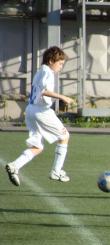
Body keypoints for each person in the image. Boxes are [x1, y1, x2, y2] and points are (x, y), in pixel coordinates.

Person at [5, 46, 74, 186]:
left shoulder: (40, 71)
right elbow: (44, 91)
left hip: (31, 110)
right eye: (60, 63)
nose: (61, 67)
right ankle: (56, 171)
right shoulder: (47, 72)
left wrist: (56, 100)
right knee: (65, 136)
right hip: (41, 112)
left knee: (38, 147)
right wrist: (63, 97)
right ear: (50, 61)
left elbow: (40, 92)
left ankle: (14, 166)